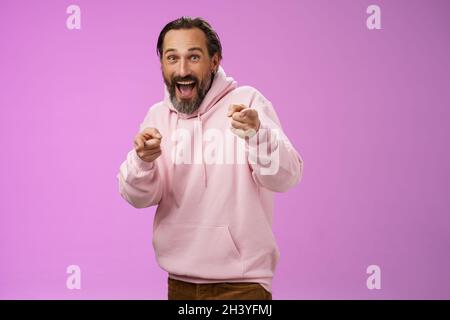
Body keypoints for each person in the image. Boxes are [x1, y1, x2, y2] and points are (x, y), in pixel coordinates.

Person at [117, 16, 304, 300]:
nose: (182, 69)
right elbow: (138, 197)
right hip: (178, 283)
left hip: (243, 285)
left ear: (214, 61)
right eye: (172, 58)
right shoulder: (157, 116)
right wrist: (142, 161)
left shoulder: (248, 102)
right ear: (162, 65)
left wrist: (258, 134)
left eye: (194, 57)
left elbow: (286, 178)